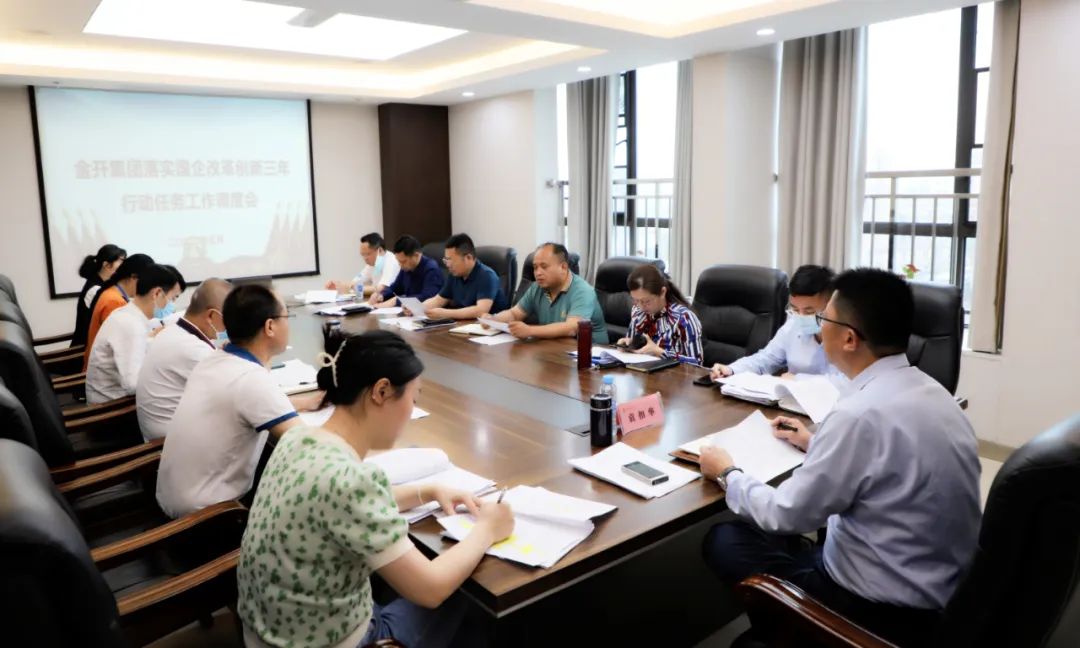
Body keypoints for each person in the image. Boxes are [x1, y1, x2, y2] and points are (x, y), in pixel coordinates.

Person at [698, 268, 981, 647]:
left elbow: (785, 514)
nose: (816, 327)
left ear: (849, 338)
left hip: (876, 609)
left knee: (725, 539)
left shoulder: (857, 414)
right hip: (940, 591)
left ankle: (790, 630)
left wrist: (727, 472)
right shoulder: (934, 393)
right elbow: (887, 465)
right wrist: (814, 443)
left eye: (822, 319)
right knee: (774, 534)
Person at [238, 327, 513, 648]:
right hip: (342, 642)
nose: (411, 410)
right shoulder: (350, 480)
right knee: (467, 589)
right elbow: (431, 588)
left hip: (266, 634)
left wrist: (426, 492)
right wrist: (487, 529)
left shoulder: (298, 438)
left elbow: (337, 503)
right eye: (413, 398)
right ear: (381, 391)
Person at [156, 285, 322, 518]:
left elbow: (250, 403)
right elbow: (311, 445)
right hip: (209, 518)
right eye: (287, 317)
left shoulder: (217, 358)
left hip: (175, 497)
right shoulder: (250, 378)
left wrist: (304, 403)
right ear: (270, 326)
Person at [135, 278, 233, 441]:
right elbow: (237, 391)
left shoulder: (172, 331)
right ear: (211, 315)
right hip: (168, 442)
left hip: (158, 430)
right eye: (229, 319)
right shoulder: (194, 349)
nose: (231, 326)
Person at [710, 264, 844, 380]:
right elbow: (765, 359)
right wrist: (731, 369)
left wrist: (800, 380)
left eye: (809, 312)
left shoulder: (847, 336)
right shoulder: (793, 325)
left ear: (830, 305)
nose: (801, 316)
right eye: (795, 309)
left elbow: (847, 383)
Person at [85, 263, 184, 403]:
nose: (172, 305)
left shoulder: (128, 314)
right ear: (157, 293)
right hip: (112, 407)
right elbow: (133, 385)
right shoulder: (130, 325)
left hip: (114, 397)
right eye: (172, 298)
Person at [488, 242, 608, 344]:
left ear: (563, 267)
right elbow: (514, 314)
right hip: (554, 346)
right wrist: (492, 319)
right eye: (535, 267)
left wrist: (529, 330)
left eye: (544, 267)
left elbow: (571, 328)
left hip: (590, 353)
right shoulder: (537, 287)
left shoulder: (583, 291)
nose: (538, 273)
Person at [617, 264, 703, 364]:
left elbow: (698, 363)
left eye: (646, 301)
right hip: (641, 371)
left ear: (662, 292)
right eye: (636, 300)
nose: (641, 307)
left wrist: (659, 352)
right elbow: (632, 349)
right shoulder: (638, 312)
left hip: (672, 374)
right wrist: (626, 345)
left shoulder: (685, 318)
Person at [83, 253, 155, 370]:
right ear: (133, 277)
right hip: (105, 370)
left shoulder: (114, 292)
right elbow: (126, 343)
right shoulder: (115, 301)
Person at [415, 233, 507, 320]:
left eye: (450, 260)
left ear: (468, 258)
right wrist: (418, 308)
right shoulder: (454, 274)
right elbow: (438, 300)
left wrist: (445, 313)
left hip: (488, 327)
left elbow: (480, 310)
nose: (448, 265)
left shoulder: (487, 275)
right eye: (446, 260)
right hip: (464, 325)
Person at [73, 243, 126, 348]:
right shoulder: (95, 290)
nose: (124, 266)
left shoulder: (103, 285)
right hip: (87, 348)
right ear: (106, 265)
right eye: (121, 261)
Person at [371, 235, 445, 308]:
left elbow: (428, 297)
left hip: (428, 312)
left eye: (403, 261)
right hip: (408, 310)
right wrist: (382, 295)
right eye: (398, 261)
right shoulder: (406, 268)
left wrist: (397, 301)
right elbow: (395, 288)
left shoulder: (431, 269)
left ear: (416, 255)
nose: (400, 265)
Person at [325, 232, 401, 298]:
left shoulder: (392, 261)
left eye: (368, 254)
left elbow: (382, 289)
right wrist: (339, 285)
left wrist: (352, 287)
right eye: (363, 255)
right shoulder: (371, 265)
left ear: (380, 250)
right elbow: (356, 281)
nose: (365, 258)